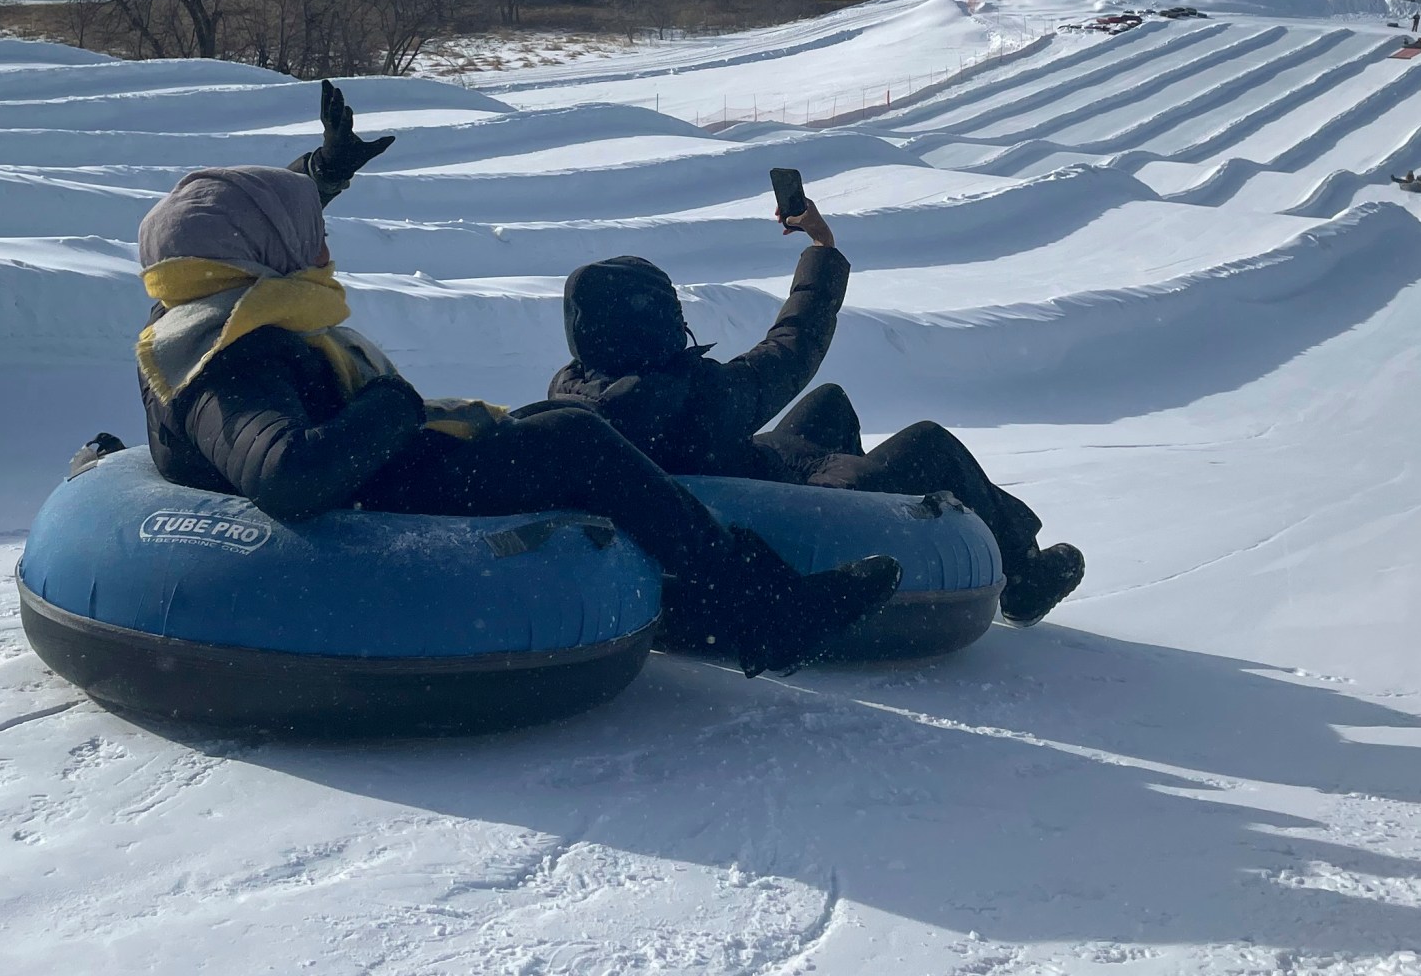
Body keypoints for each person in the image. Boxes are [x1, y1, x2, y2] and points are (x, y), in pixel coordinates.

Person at [131, 82, 899, 678]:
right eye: (301, 231)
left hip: (386, 468)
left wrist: (319, 175)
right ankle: (766, 612)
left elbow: (228, 224)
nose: (316, 245)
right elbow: (290, 474)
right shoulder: (227, 356)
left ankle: (706, 598)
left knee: (547, 420)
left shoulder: (215, 310)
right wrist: (393, 404)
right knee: (574, 438)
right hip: (388, 489)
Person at [545, 197, 1087, 626]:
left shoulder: (573, 392)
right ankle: (1022, 577)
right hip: (787, 503)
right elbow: (792, 345)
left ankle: (873, 529)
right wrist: (822, 248)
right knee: (930, 442)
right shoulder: (695, 398)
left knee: (829, 402)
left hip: (746, 474)